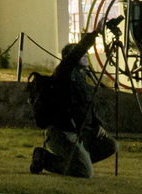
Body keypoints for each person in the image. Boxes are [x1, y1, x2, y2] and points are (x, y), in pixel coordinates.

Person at [28, 26, 117, 178]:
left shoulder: (80, 79)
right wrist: (93, 35)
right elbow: (74, 56)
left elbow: (86, 106)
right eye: (82, 56)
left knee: (110, 145)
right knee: (84, 173)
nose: (85, 58)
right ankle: (45, 159)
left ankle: (78, 160)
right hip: (63, 133)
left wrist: (97, 124)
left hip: (81, 132)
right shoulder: (63, 74)